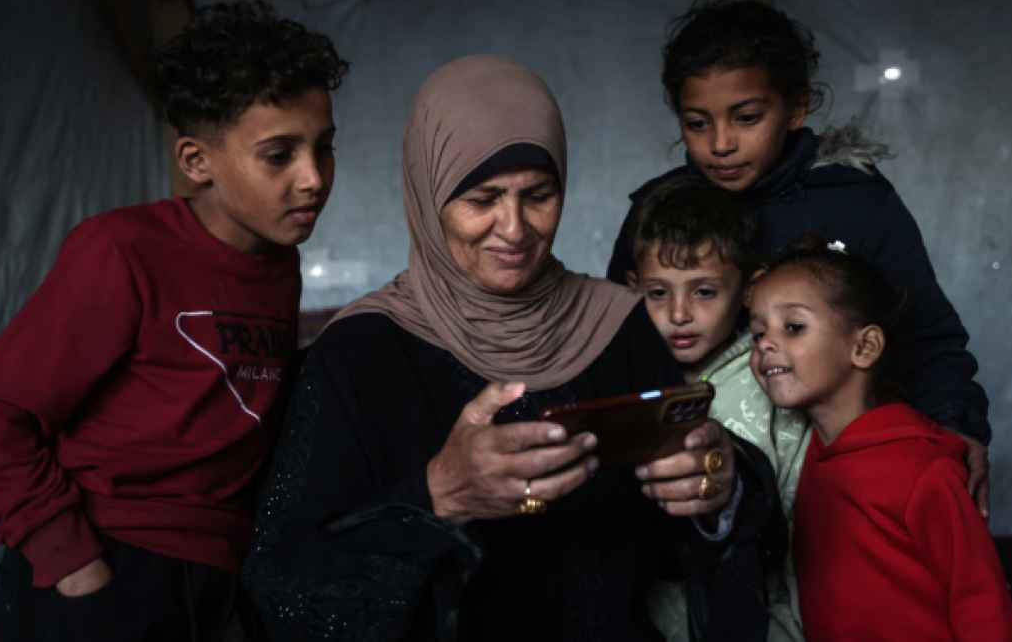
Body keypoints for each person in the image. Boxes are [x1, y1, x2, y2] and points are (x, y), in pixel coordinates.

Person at [241, 55, 780, 642]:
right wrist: (436, 495)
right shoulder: (360, 353)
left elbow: (677, 542)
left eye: (538, 195)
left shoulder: (616, 325)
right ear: (429, 194)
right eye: (483, 199)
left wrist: (719, 487)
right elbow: (284, 586)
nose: (516, 228)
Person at [0, 0, 348, 641]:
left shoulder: (280, 264)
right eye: (279, 155)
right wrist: (70, 560)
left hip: (215, 576)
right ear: (195, 161)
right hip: (105, 570)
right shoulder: (121, 250)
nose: (313, 178)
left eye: (323, 148)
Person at [604, 0, 993, 514]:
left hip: (849, 475)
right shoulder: (660, 214)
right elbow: (619, 345)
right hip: (705, 484)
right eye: (697, 123)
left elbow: (925, 333)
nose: (721, 143)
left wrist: (957, 424)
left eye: (746, 117)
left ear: (797, 107)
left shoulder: (853, 203)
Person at [747, 237, 1012, 642]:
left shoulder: (924, 468)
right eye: (757, 333)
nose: (765, 344)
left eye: (793, 327)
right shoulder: (807, 457)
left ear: (864, 346)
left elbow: (984, 605)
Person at [626, 173, 809, 642]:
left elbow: (803, 529)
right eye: (658, 293)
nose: (679, 313)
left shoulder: (771, 379)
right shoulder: (627, 379)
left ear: (749, 290)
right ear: (632, 289)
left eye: (704, 291)